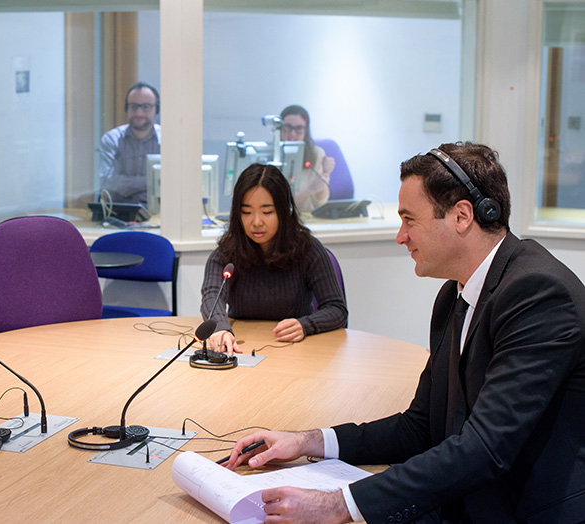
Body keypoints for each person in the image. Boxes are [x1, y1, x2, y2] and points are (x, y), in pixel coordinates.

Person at [223, 142, 585, 523]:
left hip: (522, 511)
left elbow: (485, 448)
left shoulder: (539, 294)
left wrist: (337, 506)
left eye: (409, 220)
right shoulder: (454, 296)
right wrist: (308, 441)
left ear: (462, 215)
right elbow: (421, 427)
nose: (400, 236)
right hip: (468, 499)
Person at [200, 163, 347, 356]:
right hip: (243, 350)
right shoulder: (226, 253)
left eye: (267, 212)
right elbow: (211, 297)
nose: (256, 222)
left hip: (296, 352)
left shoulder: (308, 250)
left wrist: (306, 325)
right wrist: (219, 328)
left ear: (284, 211)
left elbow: (337, 309)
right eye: (246, 212)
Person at [97, 81, 161, 204]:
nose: (139, 113)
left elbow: (171, 182)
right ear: (127, 108)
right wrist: (152, 181)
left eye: (146, 106)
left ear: (156, 109)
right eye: (133, 106)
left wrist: (126, 184)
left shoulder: (166, 141)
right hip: (117, 212)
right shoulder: (112, 139)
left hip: (159, 214)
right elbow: (108, 182)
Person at [280, 104, 335, 213]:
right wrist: (310, 190)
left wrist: (325, 176)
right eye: (288, 127)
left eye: (299, 128)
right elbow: (277, 205)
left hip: (306, 219)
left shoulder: (316, 154)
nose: (292, 134)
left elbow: (319, 203)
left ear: (305, 131)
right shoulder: (271, 156)